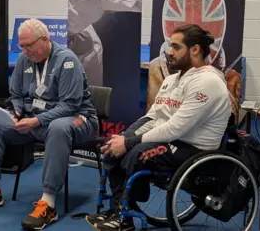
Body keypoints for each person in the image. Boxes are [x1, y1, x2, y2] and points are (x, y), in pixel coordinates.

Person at [86, 24, 232, 231]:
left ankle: (123, 213)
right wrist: (123, 138)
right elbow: (154, 116)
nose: (168, 52)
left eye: (175, 47)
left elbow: (175, 128)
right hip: (172, 140)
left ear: (195, 50)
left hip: (194, 148)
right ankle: (120, 212)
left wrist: (128, 144)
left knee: (135, 152)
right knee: (113, 148)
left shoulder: (207, 82)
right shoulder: (172, 79)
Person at [0, 18, 99, 230]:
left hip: (79, 119)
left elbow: (69, 106)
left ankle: (49, 202)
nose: (24, 51)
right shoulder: (25, 60)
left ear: (44, 39)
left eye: (28, 45)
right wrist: (15, 112)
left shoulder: (67, 60)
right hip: (37, 121)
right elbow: (16, 94)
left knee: (58, 127)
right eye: (21, 46)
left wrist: (36, 120)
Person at [68, 0, 142, 86]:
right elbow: (136, 1)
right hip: (62, 33)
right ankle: (93, 96)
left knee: (93, 42)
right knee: (94, 49)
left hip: (48, 18)